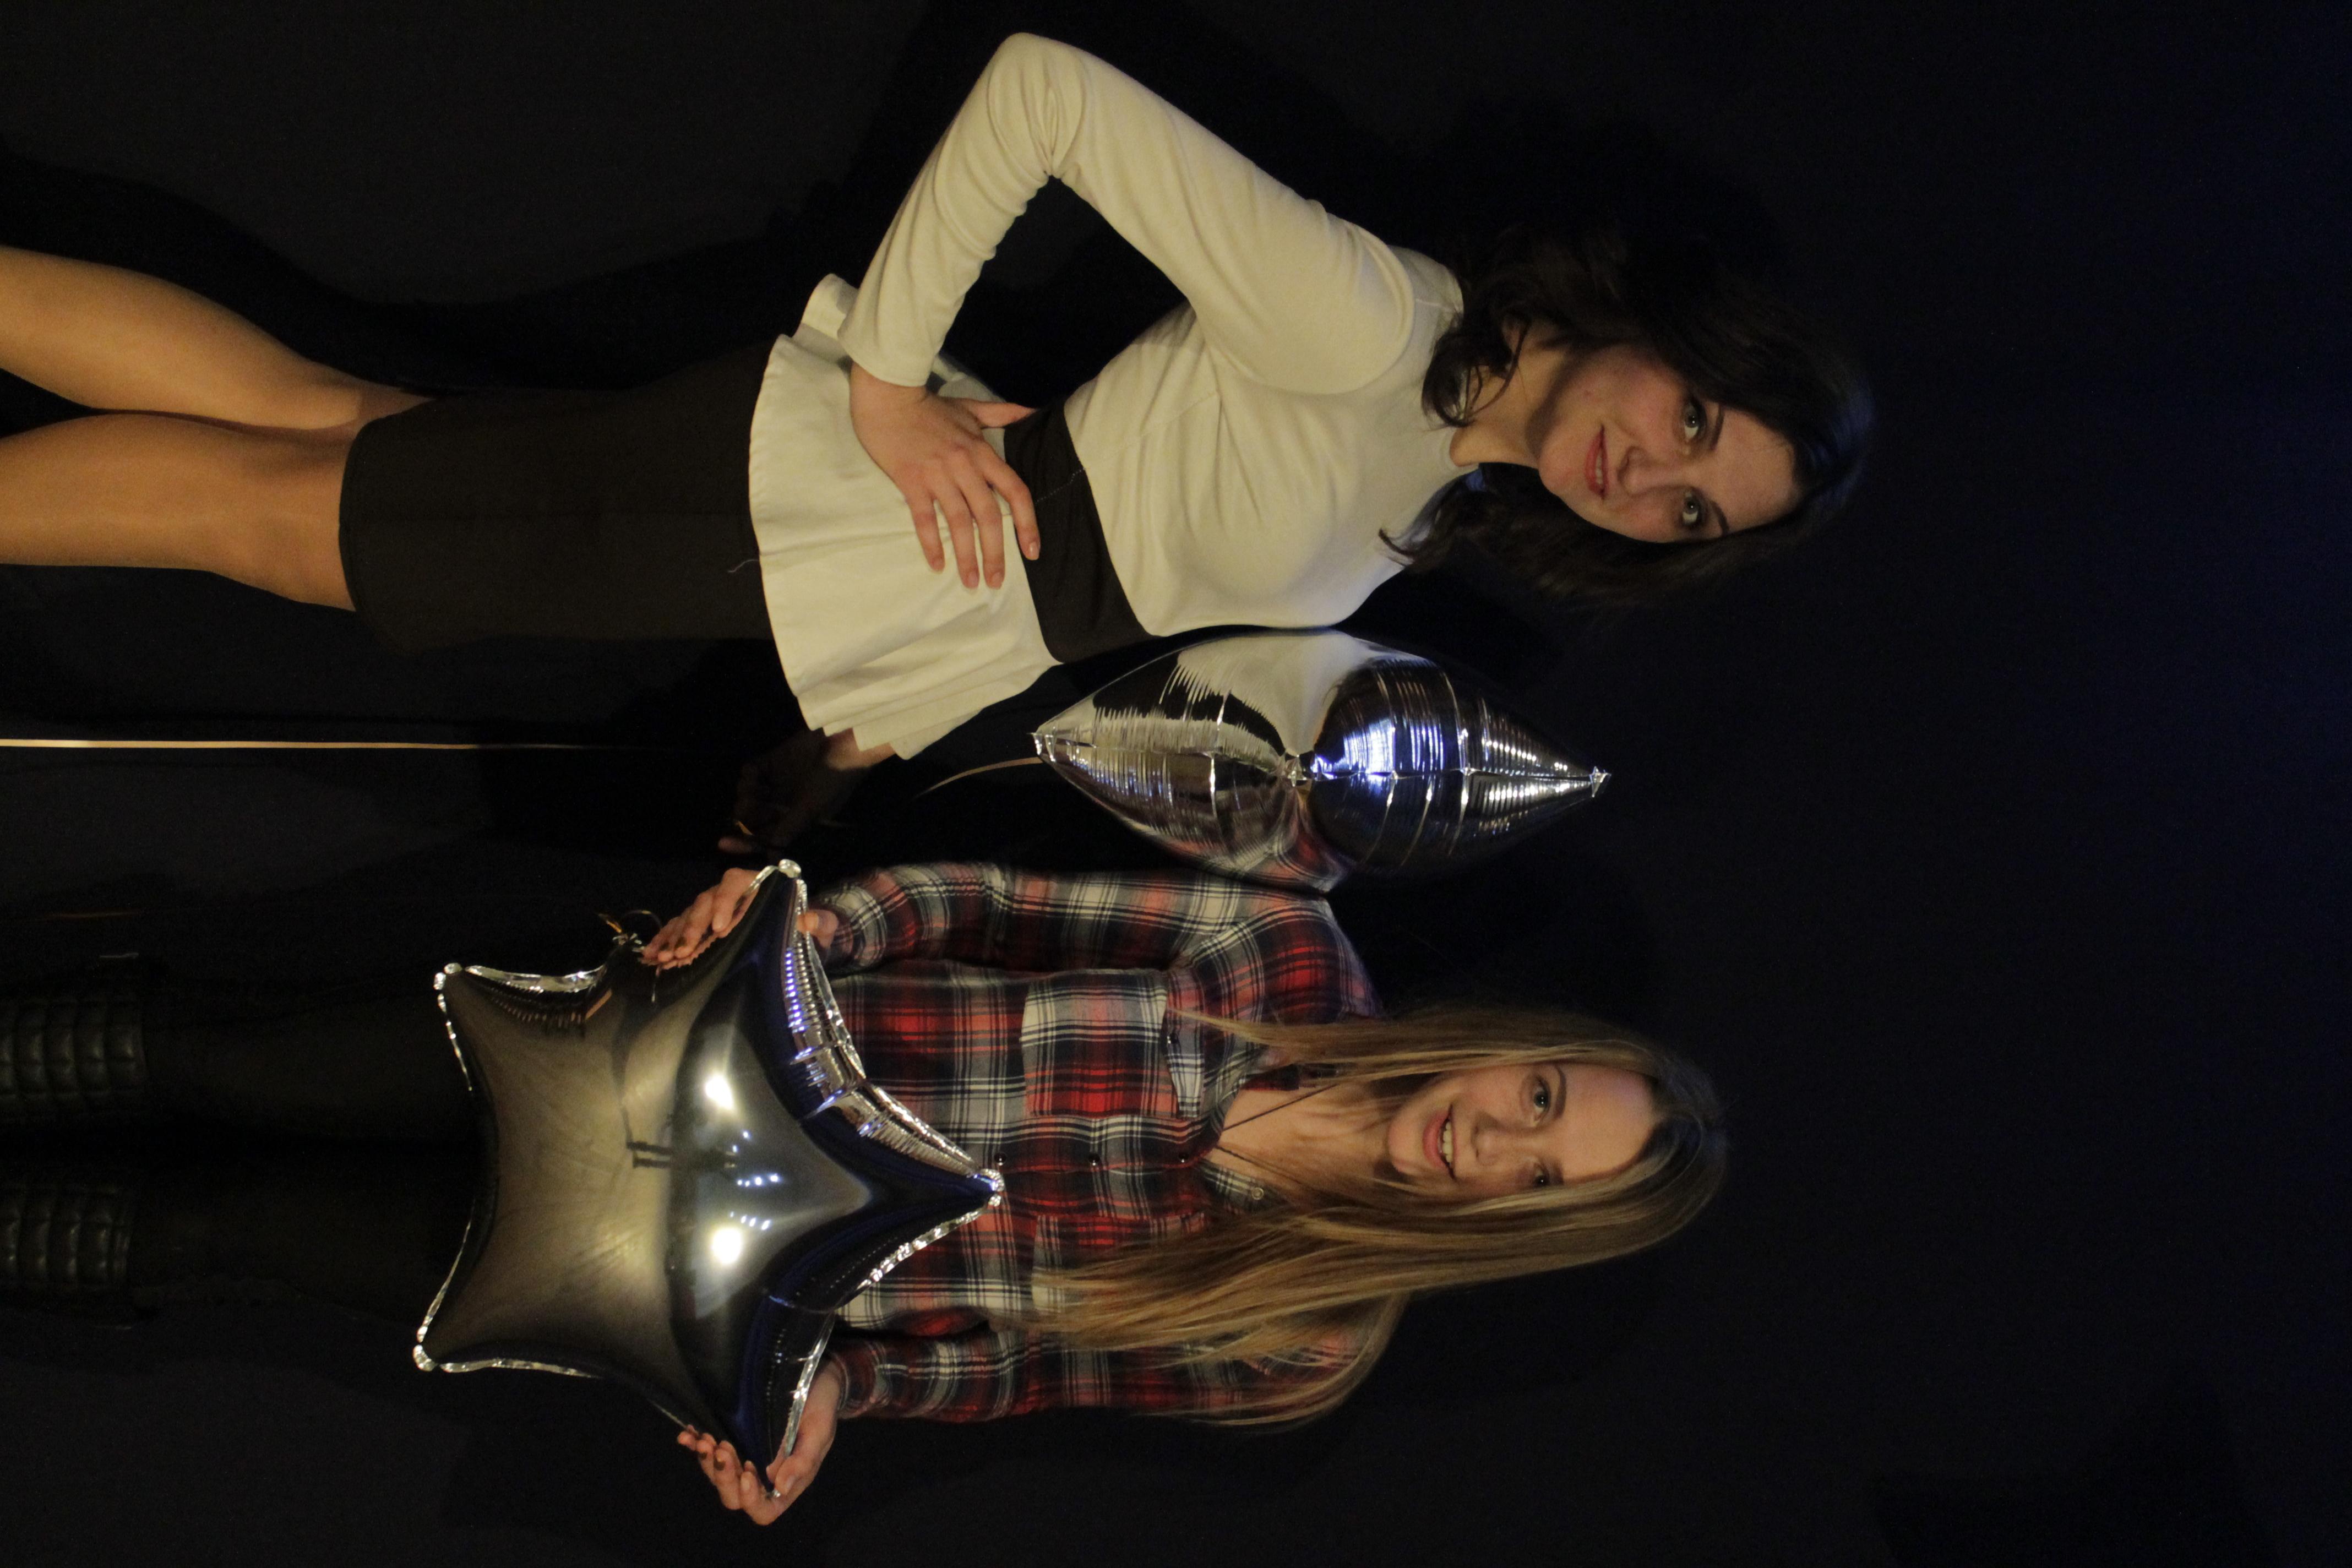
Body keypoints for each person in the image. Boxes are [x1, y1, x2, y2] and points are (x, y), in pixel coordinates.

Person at [0, 32, 1868, 785]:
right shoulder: (1384, 326)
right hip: (811, 508)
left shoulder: (1436, 481)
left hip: (853, 573)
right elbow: (1046, 94)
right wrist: (891, 385)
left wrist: (838, 769)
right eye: (1700, 426)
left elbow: (1082, 611)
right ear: (1667, 336)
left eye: (1694, 512)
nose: (1652, 476)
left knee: (334, 432)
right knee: (294, 521)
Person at [0, 861, 1725, 1524]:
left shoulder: (1300, 1341)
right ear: (1522, 1050)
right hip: (640, 1056)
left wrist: (835, 1400)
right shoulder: (1279, 956)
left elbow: (1000, 1368)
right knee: (229, 1059)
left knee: (219, 1234)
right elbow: (973, 907)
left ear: (1527, 1232)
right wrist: (801, 925)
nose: (1495, 1145)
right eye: (1540, 1101)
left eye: (1540, 1179)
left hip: (638, 1274)